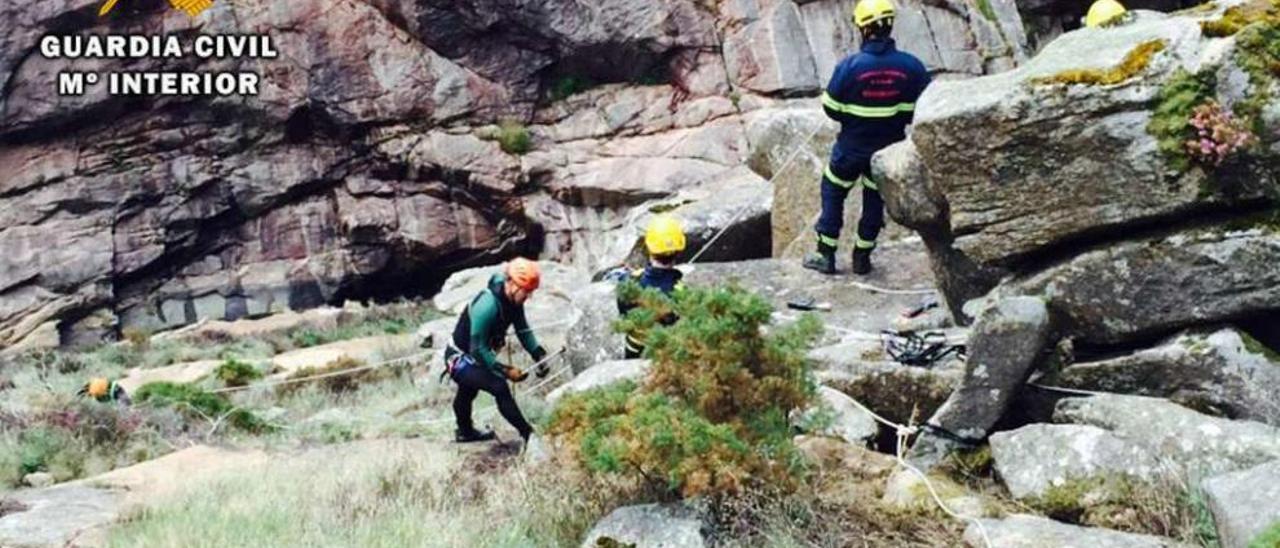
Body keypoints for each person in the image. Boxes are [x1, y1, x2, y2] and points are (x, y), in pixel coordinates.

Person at [803, 0, 930, 276]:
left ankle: (826, 255)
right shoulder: (912, 67)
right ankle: (862, 257)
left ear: (863, 28)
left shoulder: (850, 66)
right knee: (874, 200)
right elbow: (923, 109)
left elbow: (831, 108)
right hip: (888, 150)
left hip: (850, 149)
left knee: (833, 191)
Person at [444, 258, 549, 444]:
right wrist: (505, 371)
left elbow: (523, 329)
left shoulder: (514, 301)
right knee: (499, 387)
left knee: (468, 391)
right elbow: (477, 349)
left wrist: (538, 354)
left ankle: (465, 432)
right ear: (513, 285)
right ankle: (528, 434)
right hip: (459, 358)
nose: (528, 297)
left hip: (474, 357)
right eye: (527, 292)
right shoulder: (487, 305)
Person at [617, 215, 687, 358]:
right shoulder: (680, 291)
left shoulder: (628, 280)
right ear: (679, 252)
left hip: (634, 350)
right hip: (664, 354)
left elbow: (623, 313)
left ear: (649, 249)